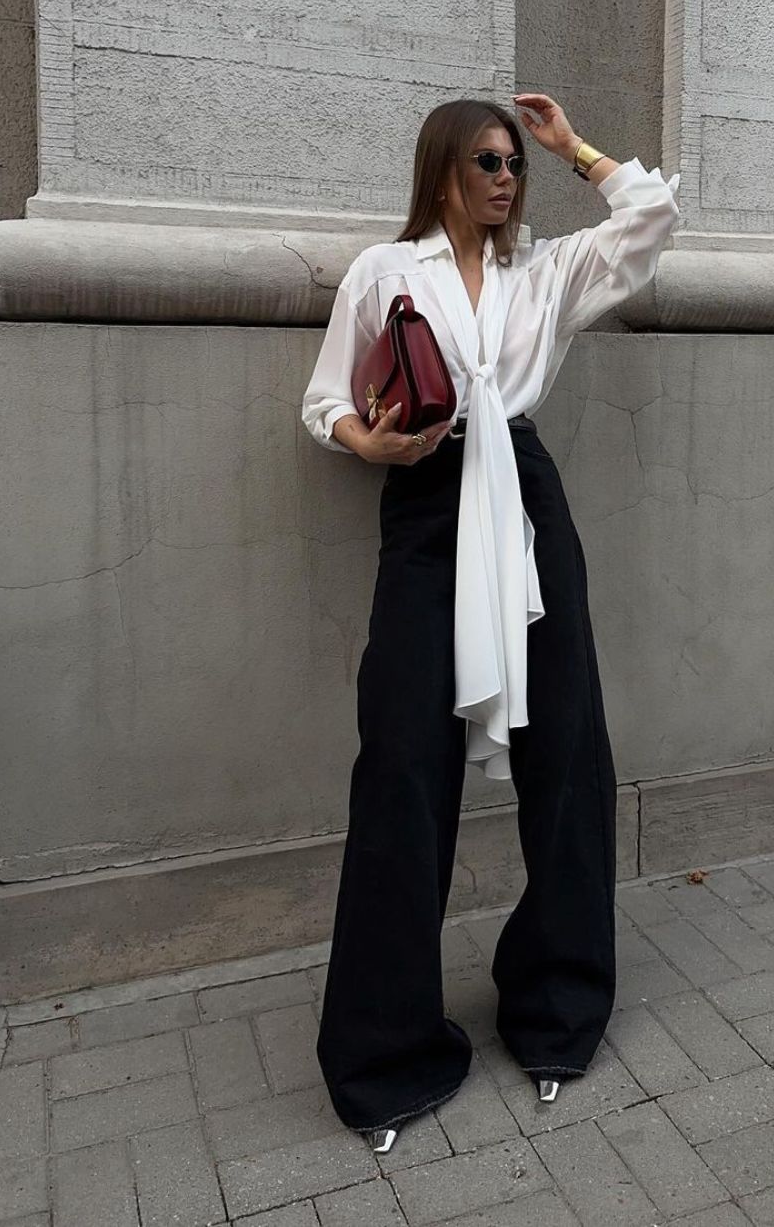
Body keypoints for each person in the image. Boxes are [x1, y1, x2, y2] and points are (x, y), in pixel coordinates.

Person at [301, 92, 680, 1153]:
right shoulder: (387, 274)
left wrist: (579, 151)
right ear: (441, 172)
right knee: (401, 769)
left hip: (523, 497)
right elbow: (323, 397)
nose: (506, 176)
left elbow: (651, 223)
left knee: (568, 754)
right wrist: (365, 446)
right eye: (488, 160)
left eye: (515, 159)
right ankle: (383, 1054)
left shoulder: (544, 272)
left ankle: (557, 1012)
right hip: (425, 509)